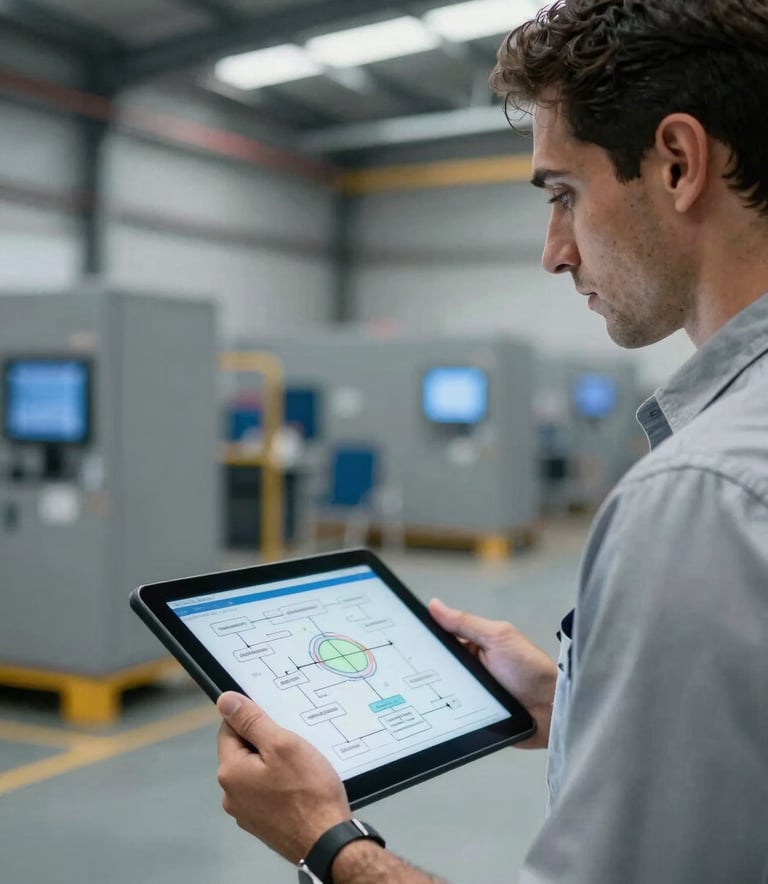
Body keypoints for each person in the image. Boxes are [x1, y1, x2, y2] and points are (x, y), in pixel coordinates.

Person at [215, 1, 768, 881]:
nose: (554, 252)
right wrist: (571, 697)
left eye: (563, 195)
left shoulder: (702, 490)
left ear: (677, 162)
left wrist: (326, 839)